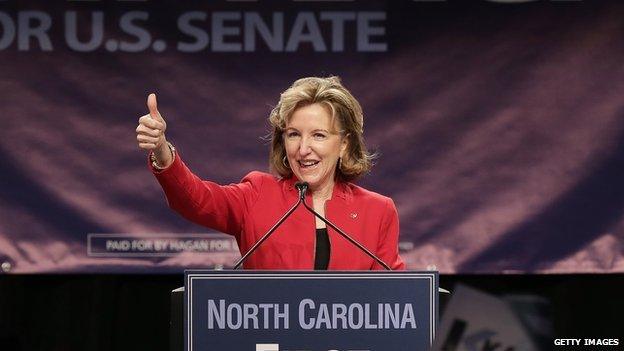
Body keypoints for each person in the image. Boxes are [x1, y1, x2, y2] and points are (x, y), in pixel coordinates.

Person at [135, 76, 405, 270]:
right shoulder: (257, 194)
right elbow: (196, 199)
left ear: (344, 144)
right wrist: (161, 150)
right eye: (293, 135)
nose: (303, 149)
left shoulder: (378, 211)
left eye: (319, 135)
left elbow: (392, 304)